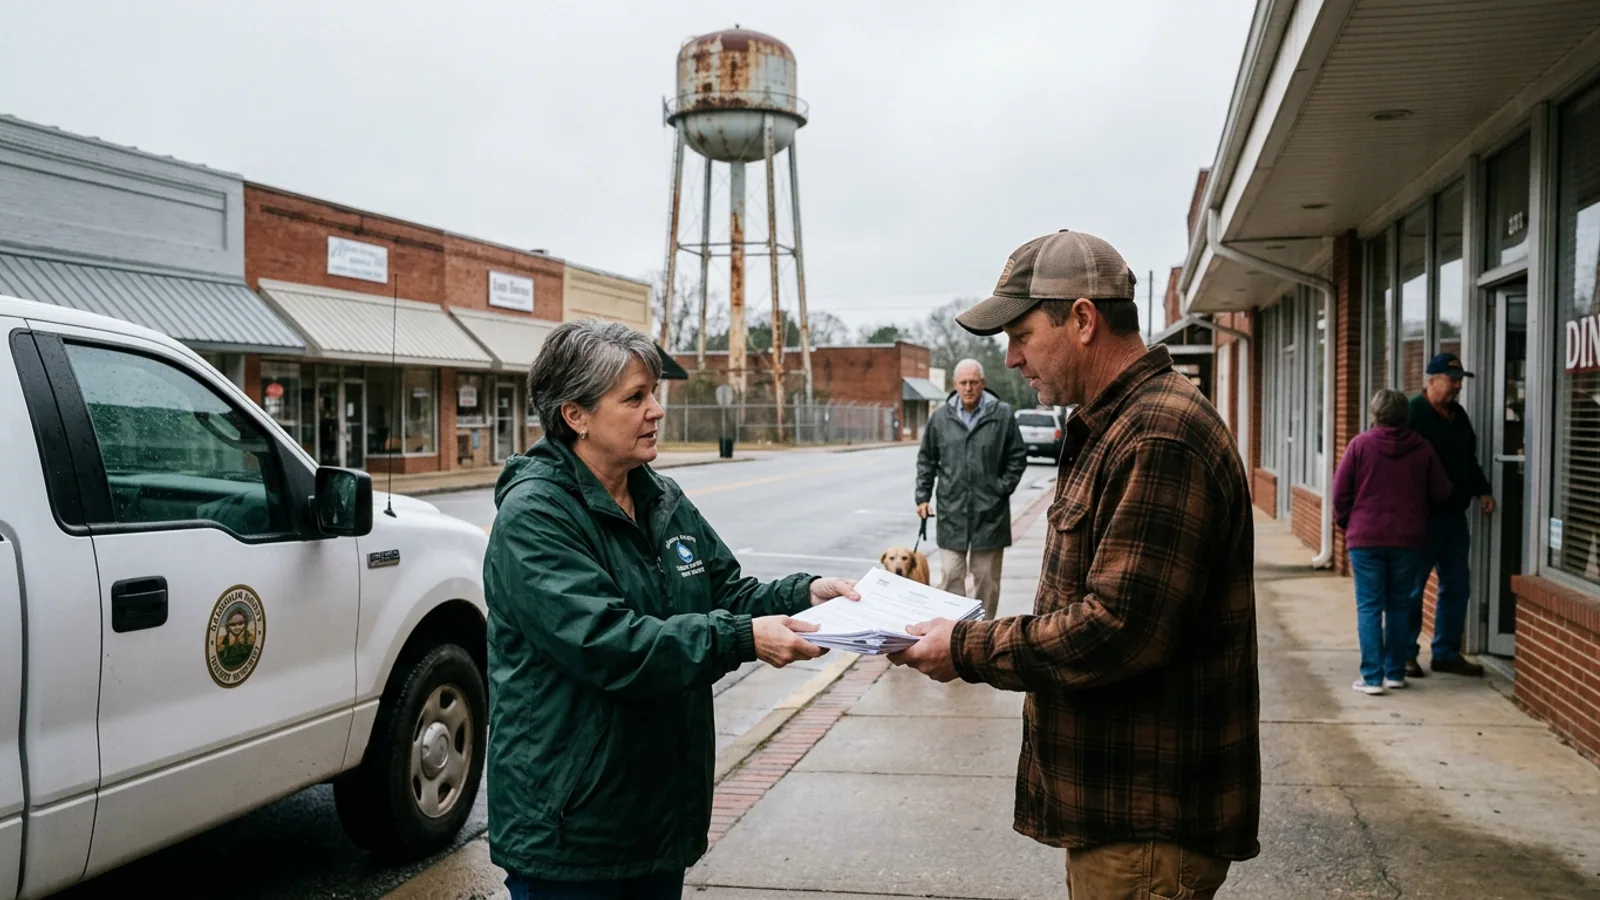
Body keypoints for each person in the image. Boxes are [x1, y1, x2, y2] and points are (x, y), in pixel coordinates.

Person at [890, 230, 1260, 899]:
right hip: (1123, 819)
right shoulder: (1118, 423)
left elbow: (1118, 628)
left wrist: (968, 648)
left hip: (1148, 825)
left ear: (1084, 319)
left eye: (1022, 334)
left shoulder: (1158, 434)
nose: (1013, 357)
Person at [483, 319, 859, 899]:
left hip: (657, 818)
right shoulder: (535, 516)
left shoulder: (660, 497)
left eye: (654, 393)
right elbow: (608, 643)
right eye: (634, 398)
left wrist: (802, 594)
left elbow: (725, 591)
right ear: (574, 416)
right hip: (572, 833)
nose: (656, 410)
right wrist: (742, 638)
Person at [1333, 388, 1453, 695]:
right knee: (1399, 605)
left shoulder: (1360, 446)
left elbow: (1340, 493)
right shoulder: (1422, 448)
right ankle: (1395, 672)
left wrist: (1348, 524)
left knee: (1369, 607)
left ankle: (1372, 677)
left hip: (1365, 537)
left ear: (1375, 413)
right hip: (1408, 538)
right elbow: (1442, 492)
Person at [914, 358, 1028, 619]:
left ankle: (982, 636)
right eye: (963, 383)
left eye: (973, 383)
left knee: (986, 581)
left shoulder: (1002, 414)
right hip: (951, 512)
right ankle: (954, 636)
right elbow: (926, 460)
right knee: (952, 575)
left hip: (990, 515)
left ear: (983, 384)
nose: (968, 388)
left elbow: (1017, 457)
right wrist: (922, 496)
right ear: (955, 385)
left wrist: (1000, 488)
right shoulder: (941, 418)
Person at [1406, 352, 1496, 678]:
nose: (1457, 386)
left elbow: (1468, 460)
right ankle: (1406, 653)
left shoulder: (1458, 415)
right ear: (1430, 381)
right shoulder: (1412, 414)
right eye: (1451, 380)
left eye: (1459, 381)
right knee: (1413, 589)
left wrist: (1482, 489)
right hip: (1422, 519)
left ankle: (1445, 653)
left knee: (1457, 586)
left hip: (1454, 519)